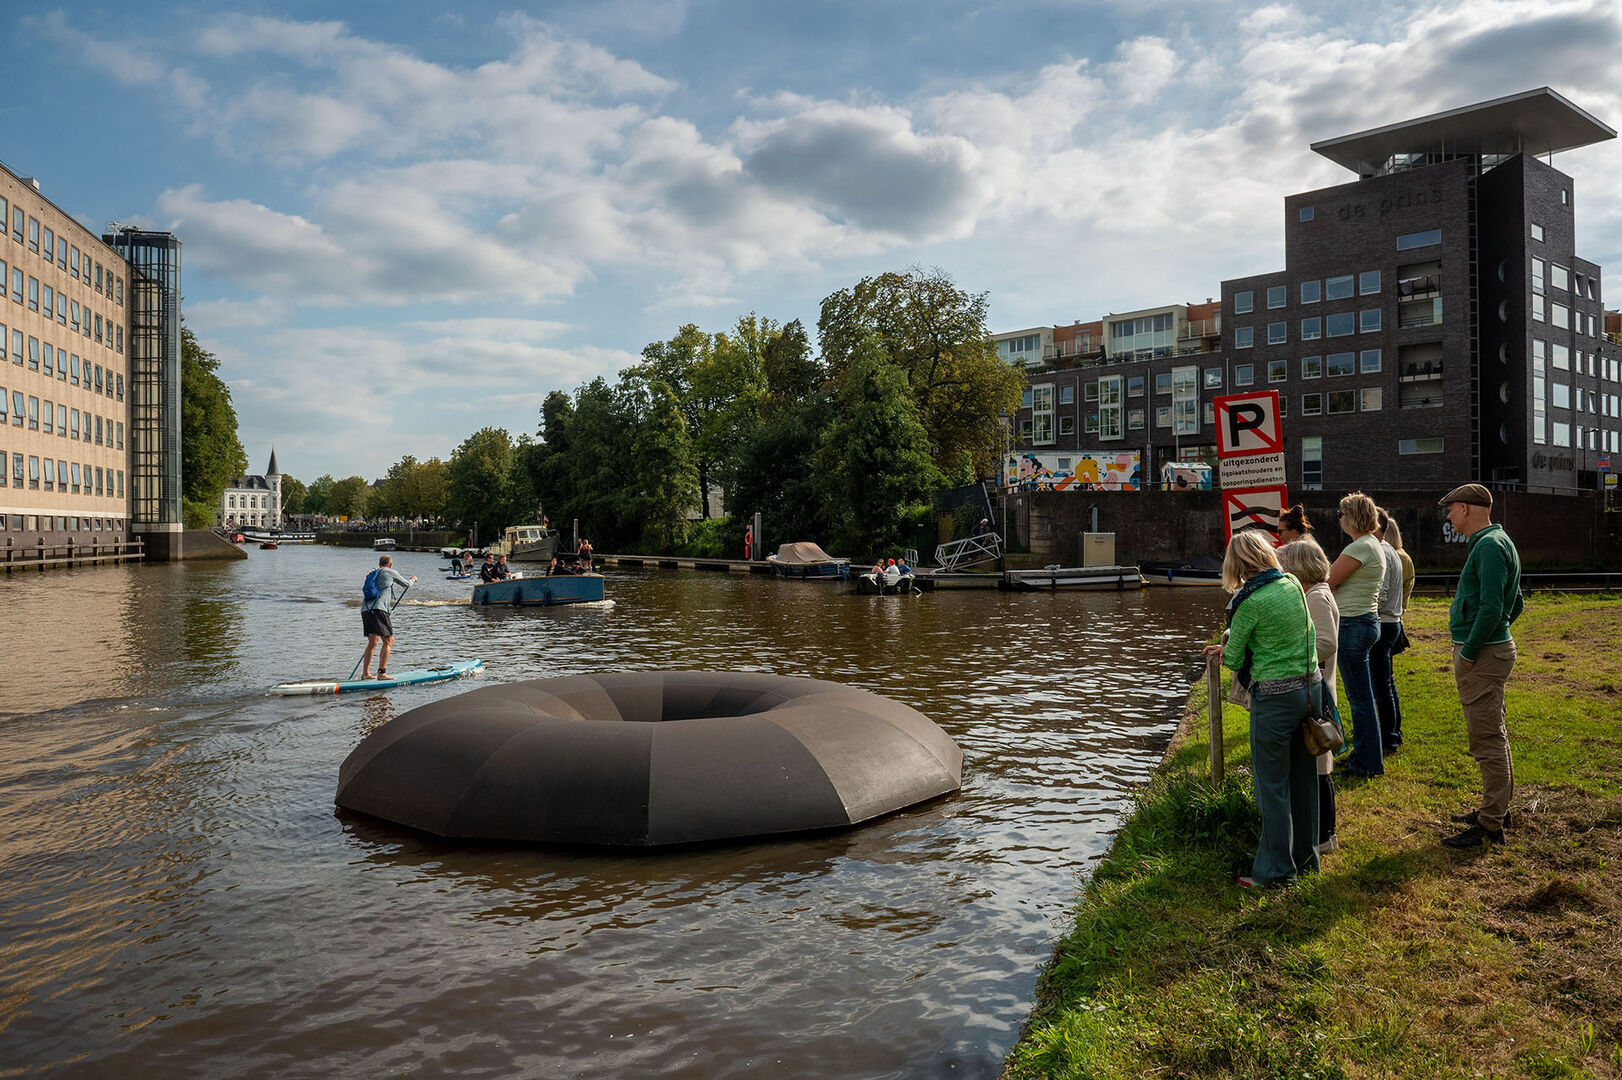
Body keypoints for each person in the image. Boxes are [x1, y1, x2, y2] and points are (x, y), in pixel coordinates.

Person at [1204, 529, 1320, 887]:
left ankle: (1276, 874)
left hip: (1275, 699)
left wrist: (1228, 644)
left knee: (1271, 786)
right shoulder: (1291, 584)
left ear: (1237, 565)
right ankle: (1307, 860)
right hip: (1311, 689)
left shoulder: (1249, 601)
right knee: (1304, 782)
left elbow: (1235, 657)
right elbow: (1304, 633)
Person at [1440, 483, 1524, 848]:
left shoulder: (1489, 546)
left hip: (1483, 655)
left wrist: (1472, 651)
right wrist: (1497, 634)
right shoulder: (1496, 541)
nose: (1448, 515)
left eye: (1452, 508)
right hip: (1493, 649)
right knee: (1495, 732)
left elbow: (1493, 607)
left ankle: (1490, 823)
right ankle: (1497, 808)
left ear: (1467, 509)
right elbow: (1514, 602)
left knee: (1487, 738)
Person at [1278, 537, 1340, 856]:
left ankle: (1326, 835)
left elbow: (1326, 643)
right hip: (1316, 686)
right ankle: (1321, 832)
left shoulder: (1316, 596)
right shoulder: (1313, 593)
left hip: (1318, 689)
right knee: (1316, 763)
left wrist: (1294, 658)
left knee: (1320, 766)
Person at [1326, 492, 1386, 778]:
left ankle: (1366, 763)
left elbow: (1325, 581)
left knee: (1360, 700)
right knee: (1363, 697)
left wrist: (1330, 585)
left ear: (1351, 517)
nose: (1339, 520)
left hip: (1352, 625)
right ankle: (1364, 755)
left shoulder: (1359, 547)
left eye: (1341, 515)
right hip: (1365, 620)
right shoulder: (1372, 544)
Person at [1369, 509, 1408, 754]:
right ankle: (1393, 733)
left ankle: (1388, 738)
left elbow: (1380, 594)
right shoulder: (1391, 550)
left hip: (1381, 623)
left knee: (1380, 685)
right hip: (1392, 622)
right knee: (1386, 684)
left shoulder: (1380, 550)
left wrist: (1368, 615)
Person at [360, 555, 417, 680]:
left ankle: (365, 674)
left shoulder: (372, 573)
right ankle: (382, 673)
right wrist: (413, 579)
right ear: (390, 564)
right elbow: (407, 585)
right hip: (379, 609)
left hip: (365, 609)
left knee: (373, 642)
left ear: (379, 563)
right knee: (389, 641)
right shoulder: (390, 572)